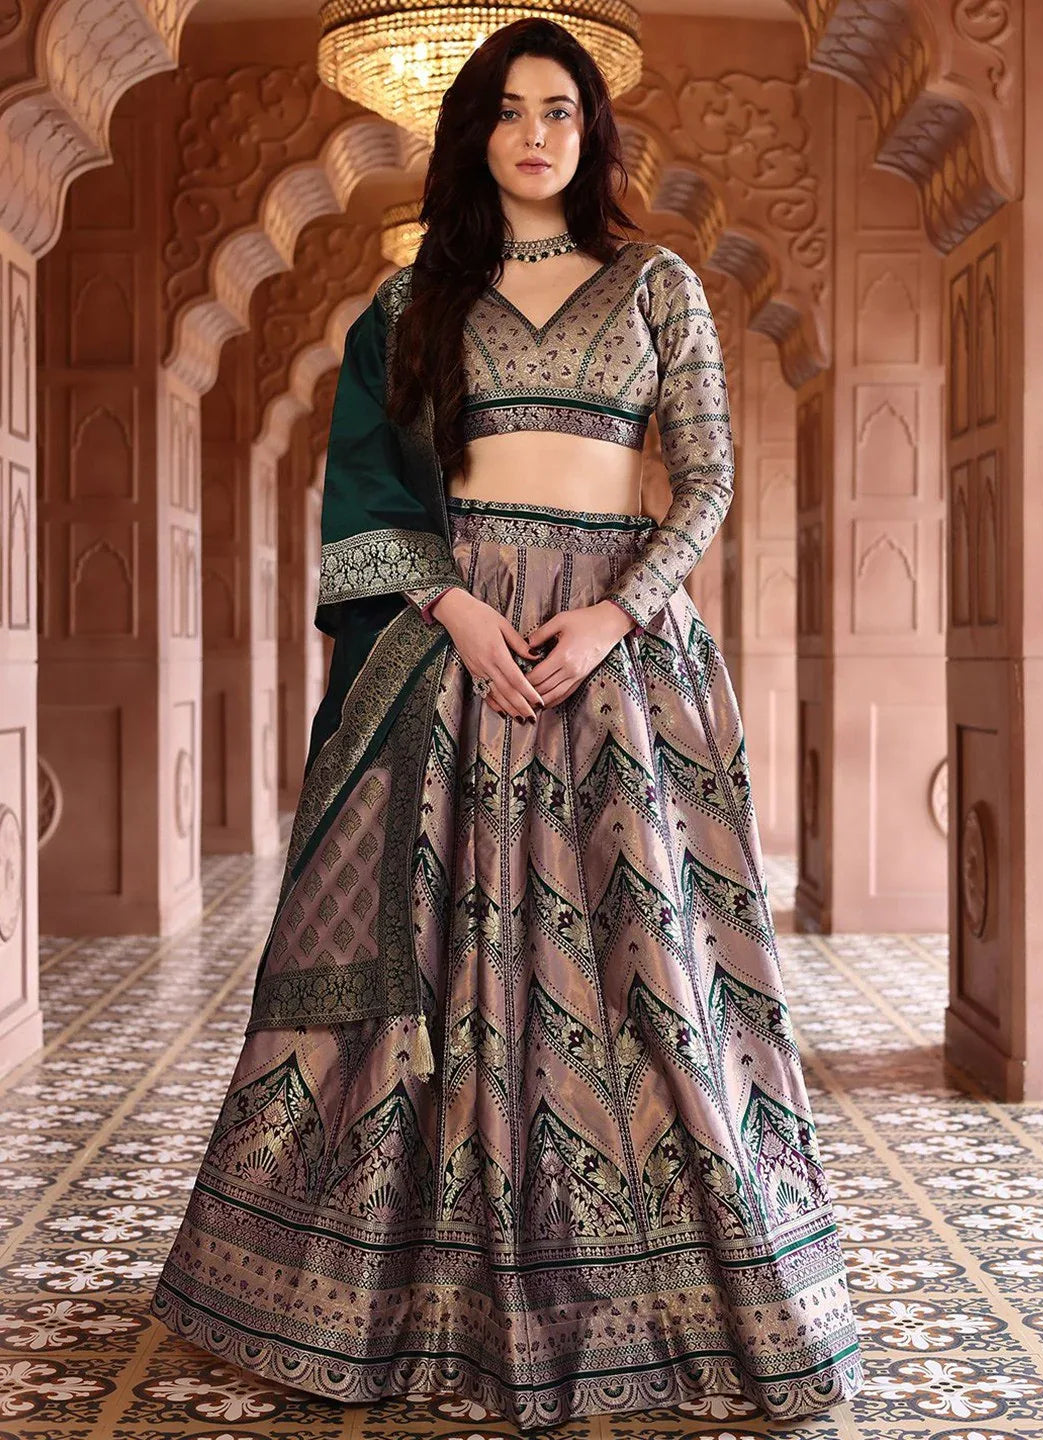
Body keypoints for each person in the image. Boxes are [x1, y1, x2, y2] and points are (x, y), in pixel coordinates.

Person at [150, 16, 864, 1432]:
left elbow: (707, 483)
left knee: (649, 968)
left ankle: (680, 1298)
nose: (538, 131)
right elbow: (365, 503)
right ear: (472, 132)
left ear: (597, 132)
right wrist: (454, 614)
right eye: (510, 110)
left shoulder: (660, 287)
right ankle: (408, 1305)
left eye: (563, 108)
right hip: (455, 659)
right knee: (431, 979)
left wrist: (616, 610)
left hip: (618, 657)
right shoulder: (413, 304)